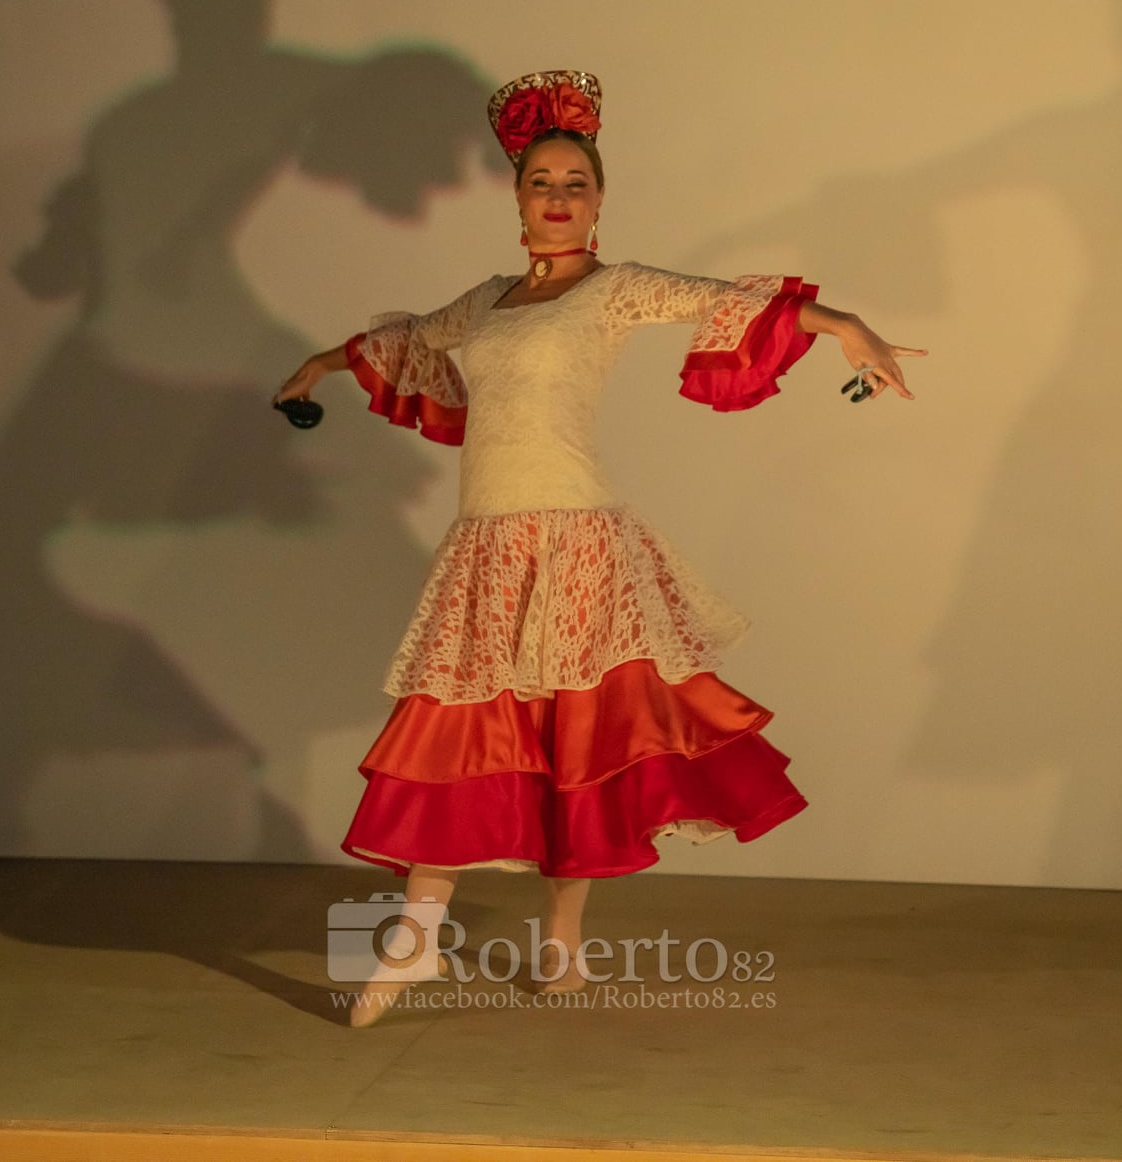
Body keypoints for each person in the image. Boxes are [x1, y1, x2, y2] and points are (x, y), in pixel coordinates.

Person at [273, 69, 923, 1026]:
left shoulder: (615, 290)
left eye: (575, 183)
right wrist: (317, 366)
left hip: (576, 540)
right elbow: (410, 337)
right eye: (542, 181)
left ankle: (561, 949)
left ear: (599, 201)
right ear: (516, 196)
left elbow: (724, 300)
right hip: (487, 550)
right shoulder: (485, 301)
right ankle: (417, 941)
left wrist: (848, 325)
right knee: (457, 731)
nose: (558, 197)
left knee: (577, 742)